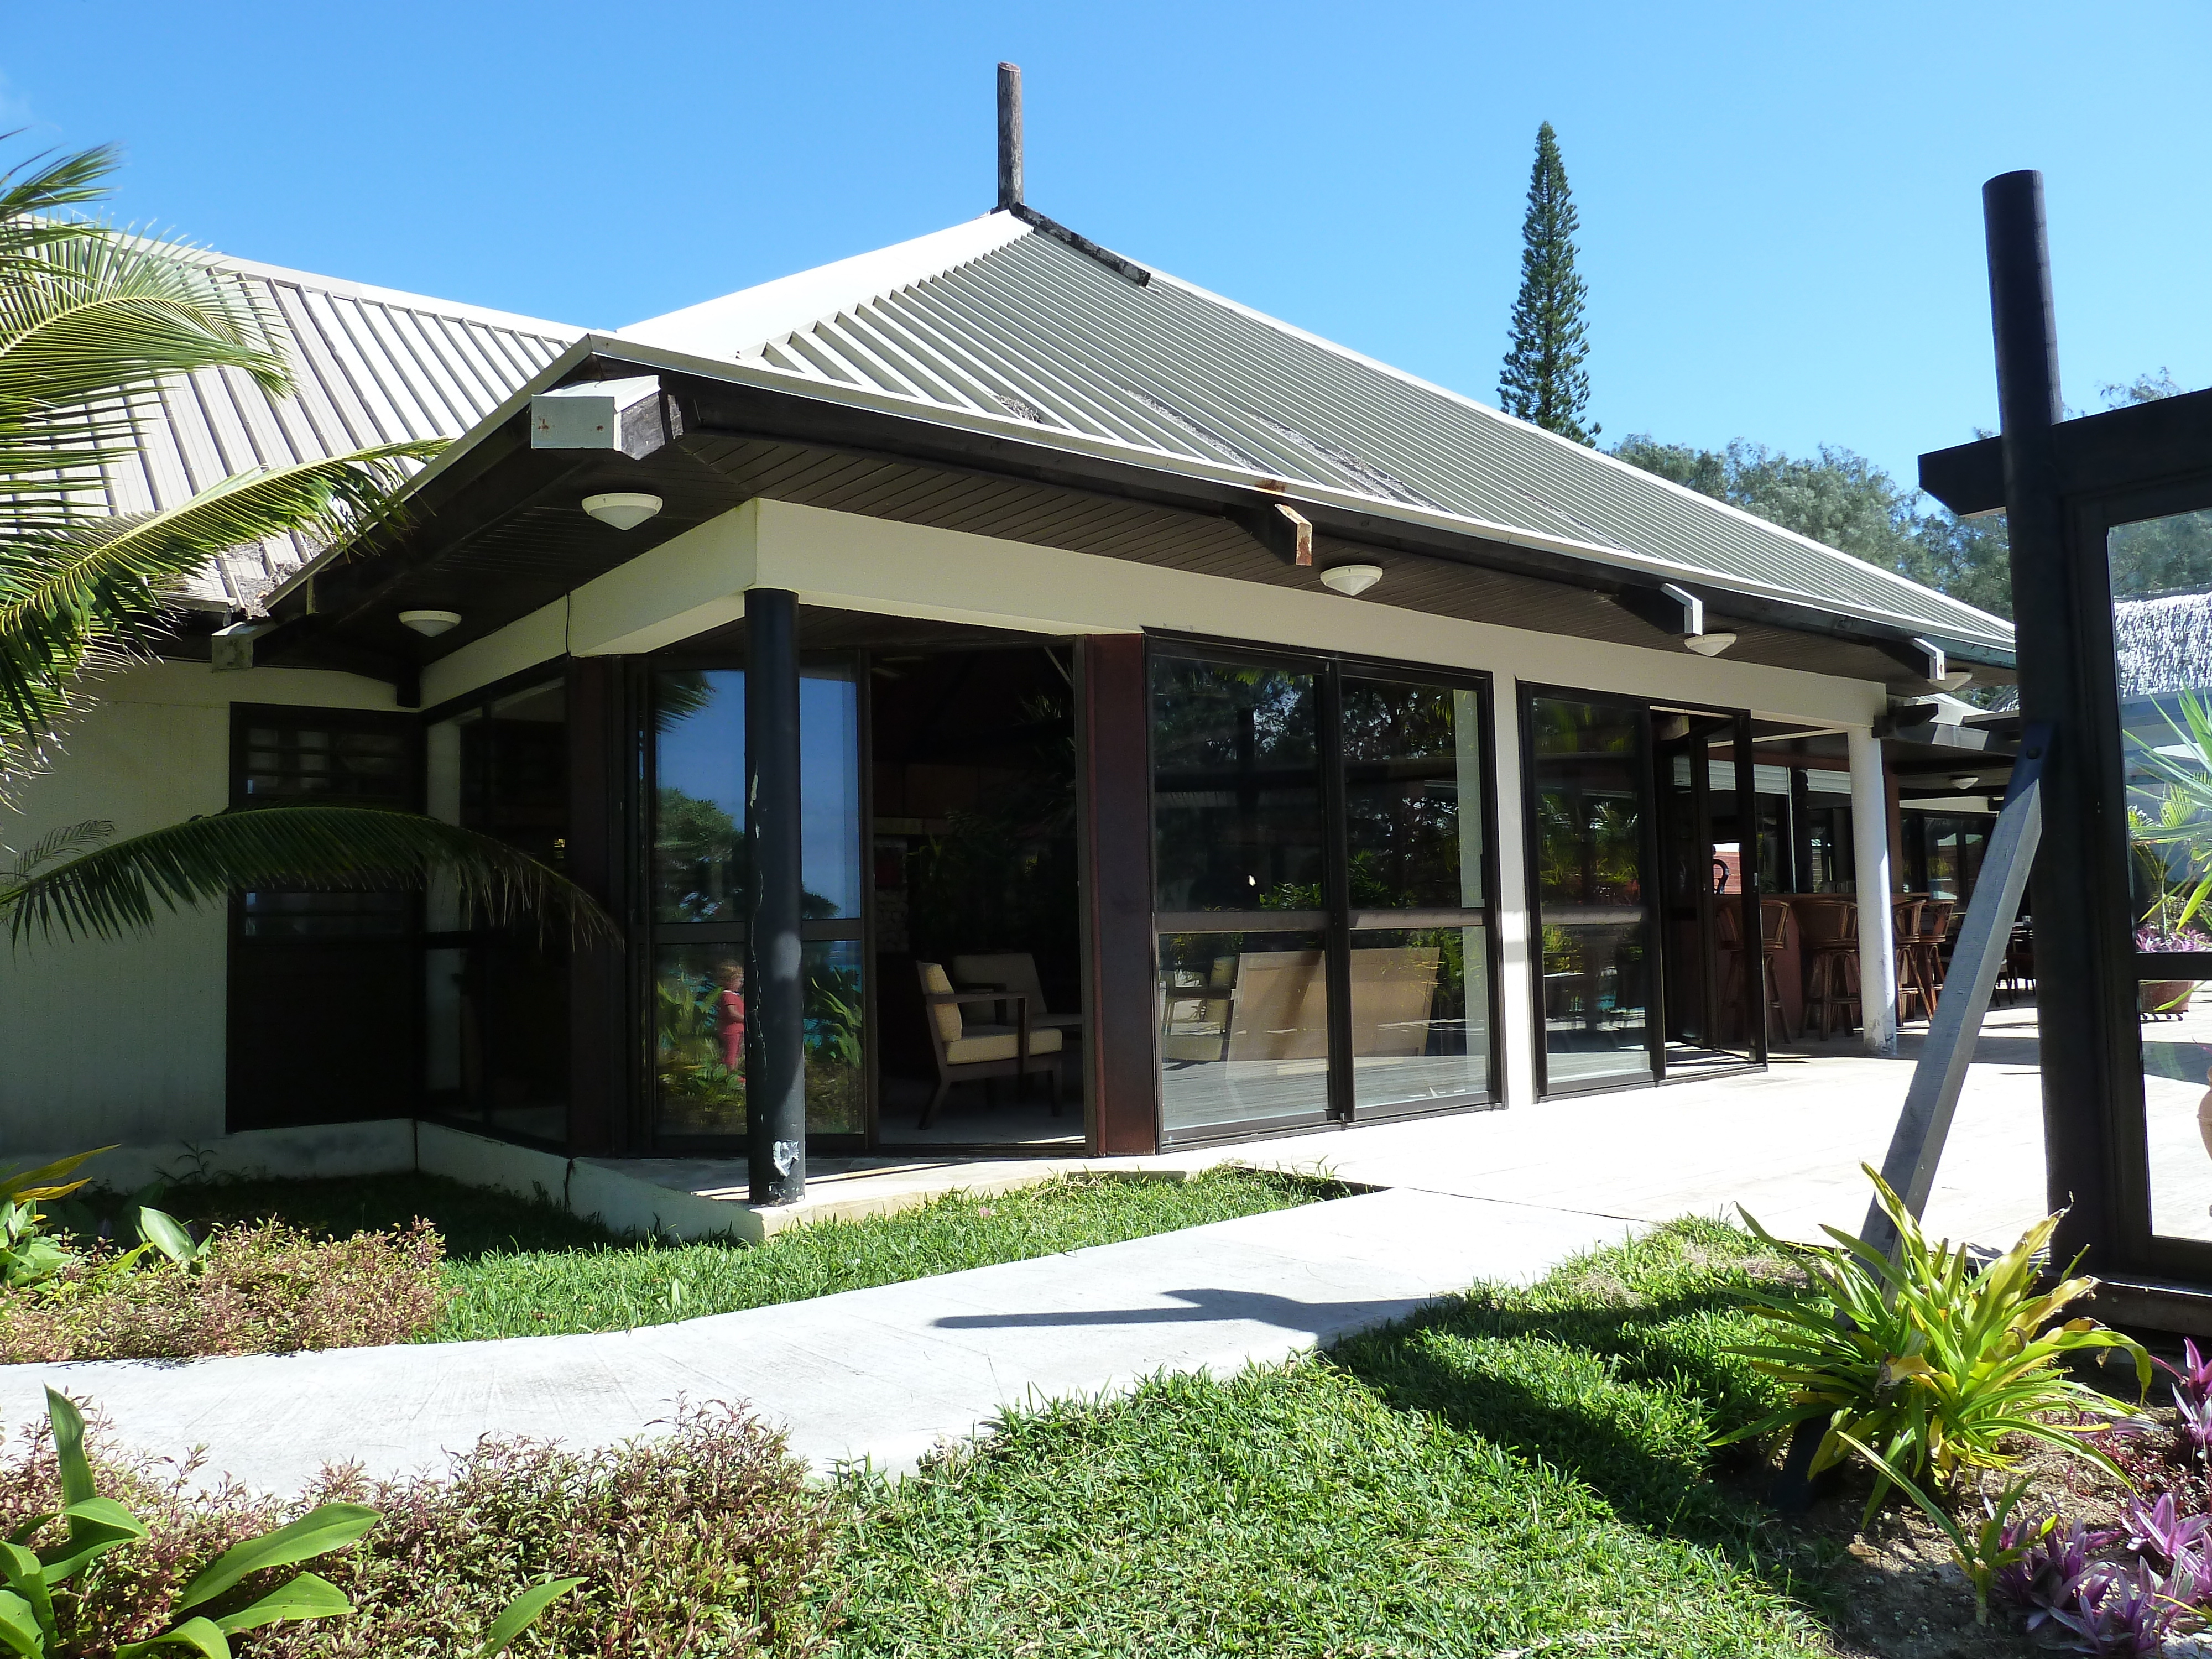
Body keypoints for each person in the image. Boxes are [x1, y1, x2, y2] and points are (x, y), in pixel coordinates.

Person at [715, 961, 746, 1073]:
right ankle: (731, 1074)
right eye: (739, 981)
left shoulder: (734, 996)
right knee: (732, 1053)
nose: (741, 984)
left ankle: (734, 1073)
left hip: (738, 1030)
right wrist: (746, 1019)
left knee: (737, 1053)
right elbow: (732, 1013)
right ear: (730, 980)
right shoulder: (727, 995)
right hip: (732, 1031)